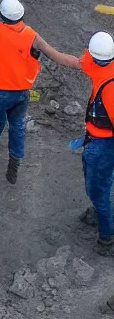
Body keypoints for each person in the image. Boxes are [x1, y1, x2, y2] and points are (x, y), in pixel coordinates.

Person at [0, 0, 78, 184]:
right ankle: (15, 160)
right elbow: (60, 57)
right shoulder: (32, 35)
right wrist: (88, 64)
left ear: (1, 14)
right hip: (22, 94)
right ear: (21, 14)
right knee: (18, 126)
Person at [42, 31, 114, 250]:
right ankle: (102, 209)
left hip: (103, 145)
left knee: (97, 189)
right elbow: (70, 61)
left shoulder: (110, 88)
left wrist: (40, 44)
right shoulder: (102, 65)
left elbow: (68, 60)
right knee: (100, 183)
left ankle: (107, 238)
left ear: (93, 55)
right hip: (96, 142)